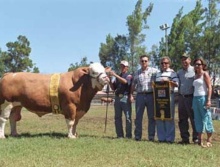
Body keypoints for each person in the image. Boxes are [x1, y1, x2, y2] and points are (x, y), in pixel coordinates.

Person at [130, 55, 159, 141]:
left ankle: (151, 136)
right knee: (138, 117)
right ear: (140, 62)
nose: (144, 62)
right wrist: (131, 94)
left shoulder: (155, 71)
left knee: (152, 117)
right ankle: (138, 136)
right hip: (140, 95)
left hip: (151, 95)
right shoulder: (136, 72)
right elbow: (133, 84)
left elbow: (163, 74)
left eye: (145, 61)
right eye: (142, 61)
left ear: (148, 62)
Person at [155, 56, 179, 143]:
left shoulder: (173, 73)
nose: (164, 65)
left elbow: (176, 84)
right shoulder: (157, 74)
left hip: (169, 97)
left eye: (166, 63)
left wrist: (168, 81)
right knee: (159, 117)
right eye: (162, 63)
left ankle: (169, 139)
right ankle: (161, 138)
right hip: (158, 98)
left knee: (169, 117)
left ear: (169, 64)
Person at [192, 57, 214, 148]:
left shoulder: (205, 74)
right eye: (196, 64)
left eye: (199, 64)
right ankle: (200, 140)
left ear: (203, 65)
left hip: (203, 98)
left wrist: (208, 100)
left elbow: (209, 87)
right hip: (195, 98)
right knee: (197, 118)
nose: (197, 66)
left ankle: (209, 140)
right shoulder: (195, 75)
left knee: (206, 117)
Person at [177, 53, 198, 144]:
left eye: (186, 59)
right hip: (181, 98)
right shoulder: (179, 72)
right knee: (182, 119)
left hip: (191, 97)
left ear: (189, 60)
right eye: (182, 60)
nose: (184, 61)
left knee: (193, 118)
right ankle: (185, 138)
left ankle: (196, 138)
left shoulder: (195, 70)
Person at [109, 60, 132, 138]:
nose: (122, 67)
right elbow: (113, 88)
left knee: (128, 117)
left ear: (127, 68)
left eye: (124, 66)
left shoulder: (129, 75)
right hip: (117, 97)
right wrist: (109, 80)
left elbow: (125, 82)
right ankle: (119, 135)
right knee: (117, 117)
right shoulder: (117, 76)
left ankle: (128, 135)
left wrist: (115, 75)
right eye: (121, 66)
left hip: (125, 97)